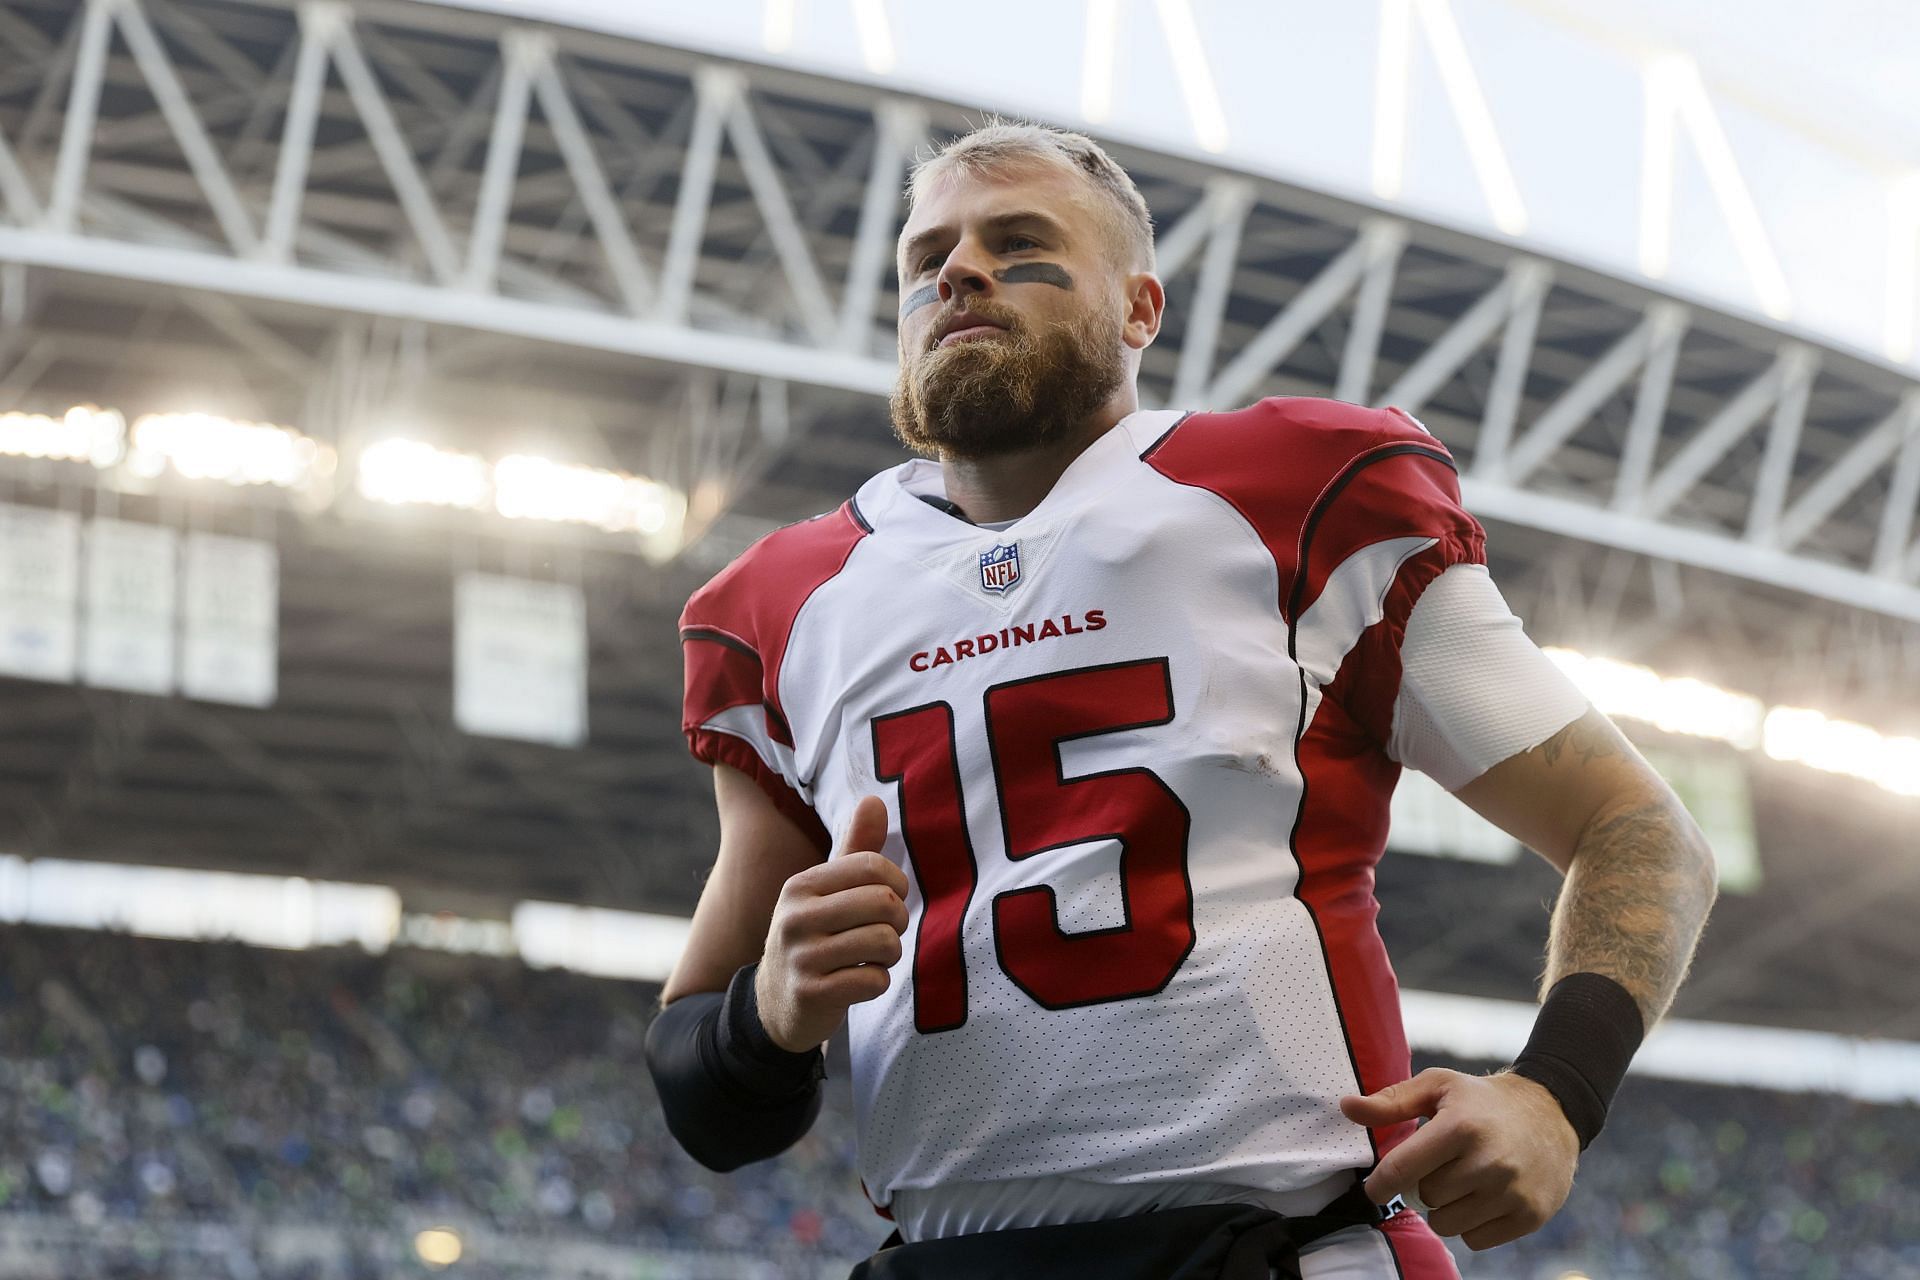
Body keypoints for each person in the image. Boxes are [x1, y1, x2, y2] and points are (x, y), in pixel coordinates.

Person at [645, 122, 1717, 1279]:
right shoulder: (784, 604)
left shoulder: (1296, 498)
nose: (957, 271)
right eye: (926, 257)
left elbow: (1641, 831)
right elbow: (708, 1102)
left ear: (1139, 309)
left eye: (1017, 242)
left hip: (1283, 1250)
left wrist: (1556, 1093)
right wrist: (770, 1013)